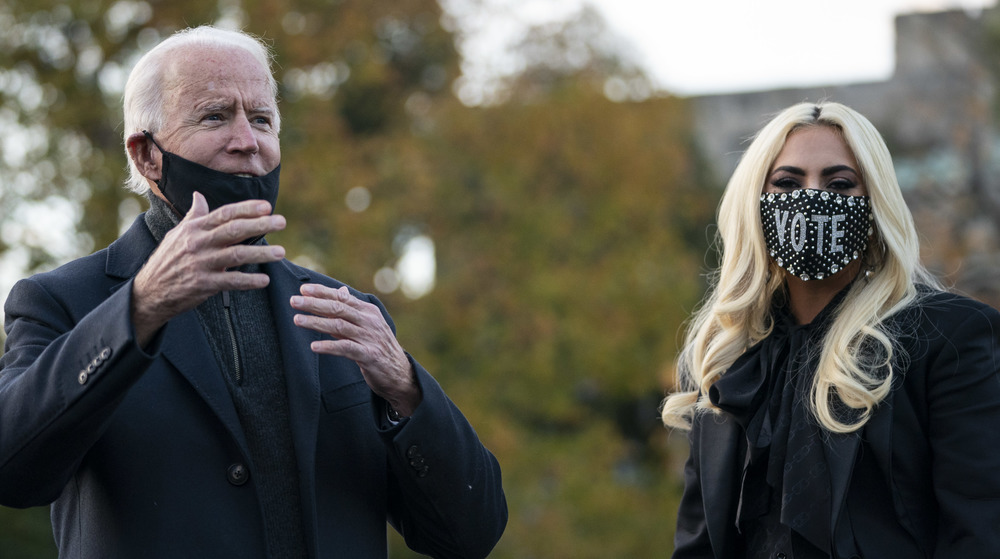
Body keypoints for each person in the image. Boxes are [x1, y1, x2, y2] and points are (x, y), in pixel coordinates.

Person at [0, 25, 506, 559]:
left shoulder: (345, 314)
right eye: (216, 116)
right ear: (147, 155)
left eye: (262, 119)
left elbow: (472, 534)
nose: (249, 141)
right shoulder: (62, 301)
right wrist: (141, 307)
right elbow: (14, 471)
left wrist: (406, 389)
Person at [661, 102, 1000, 558]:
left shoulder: (948, 339)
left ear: (875, 204)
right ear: (754, 204)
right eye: (787, 182)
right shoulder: (724, 364)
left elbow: (979, 532)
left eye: (840, 184)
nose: (812, 198)